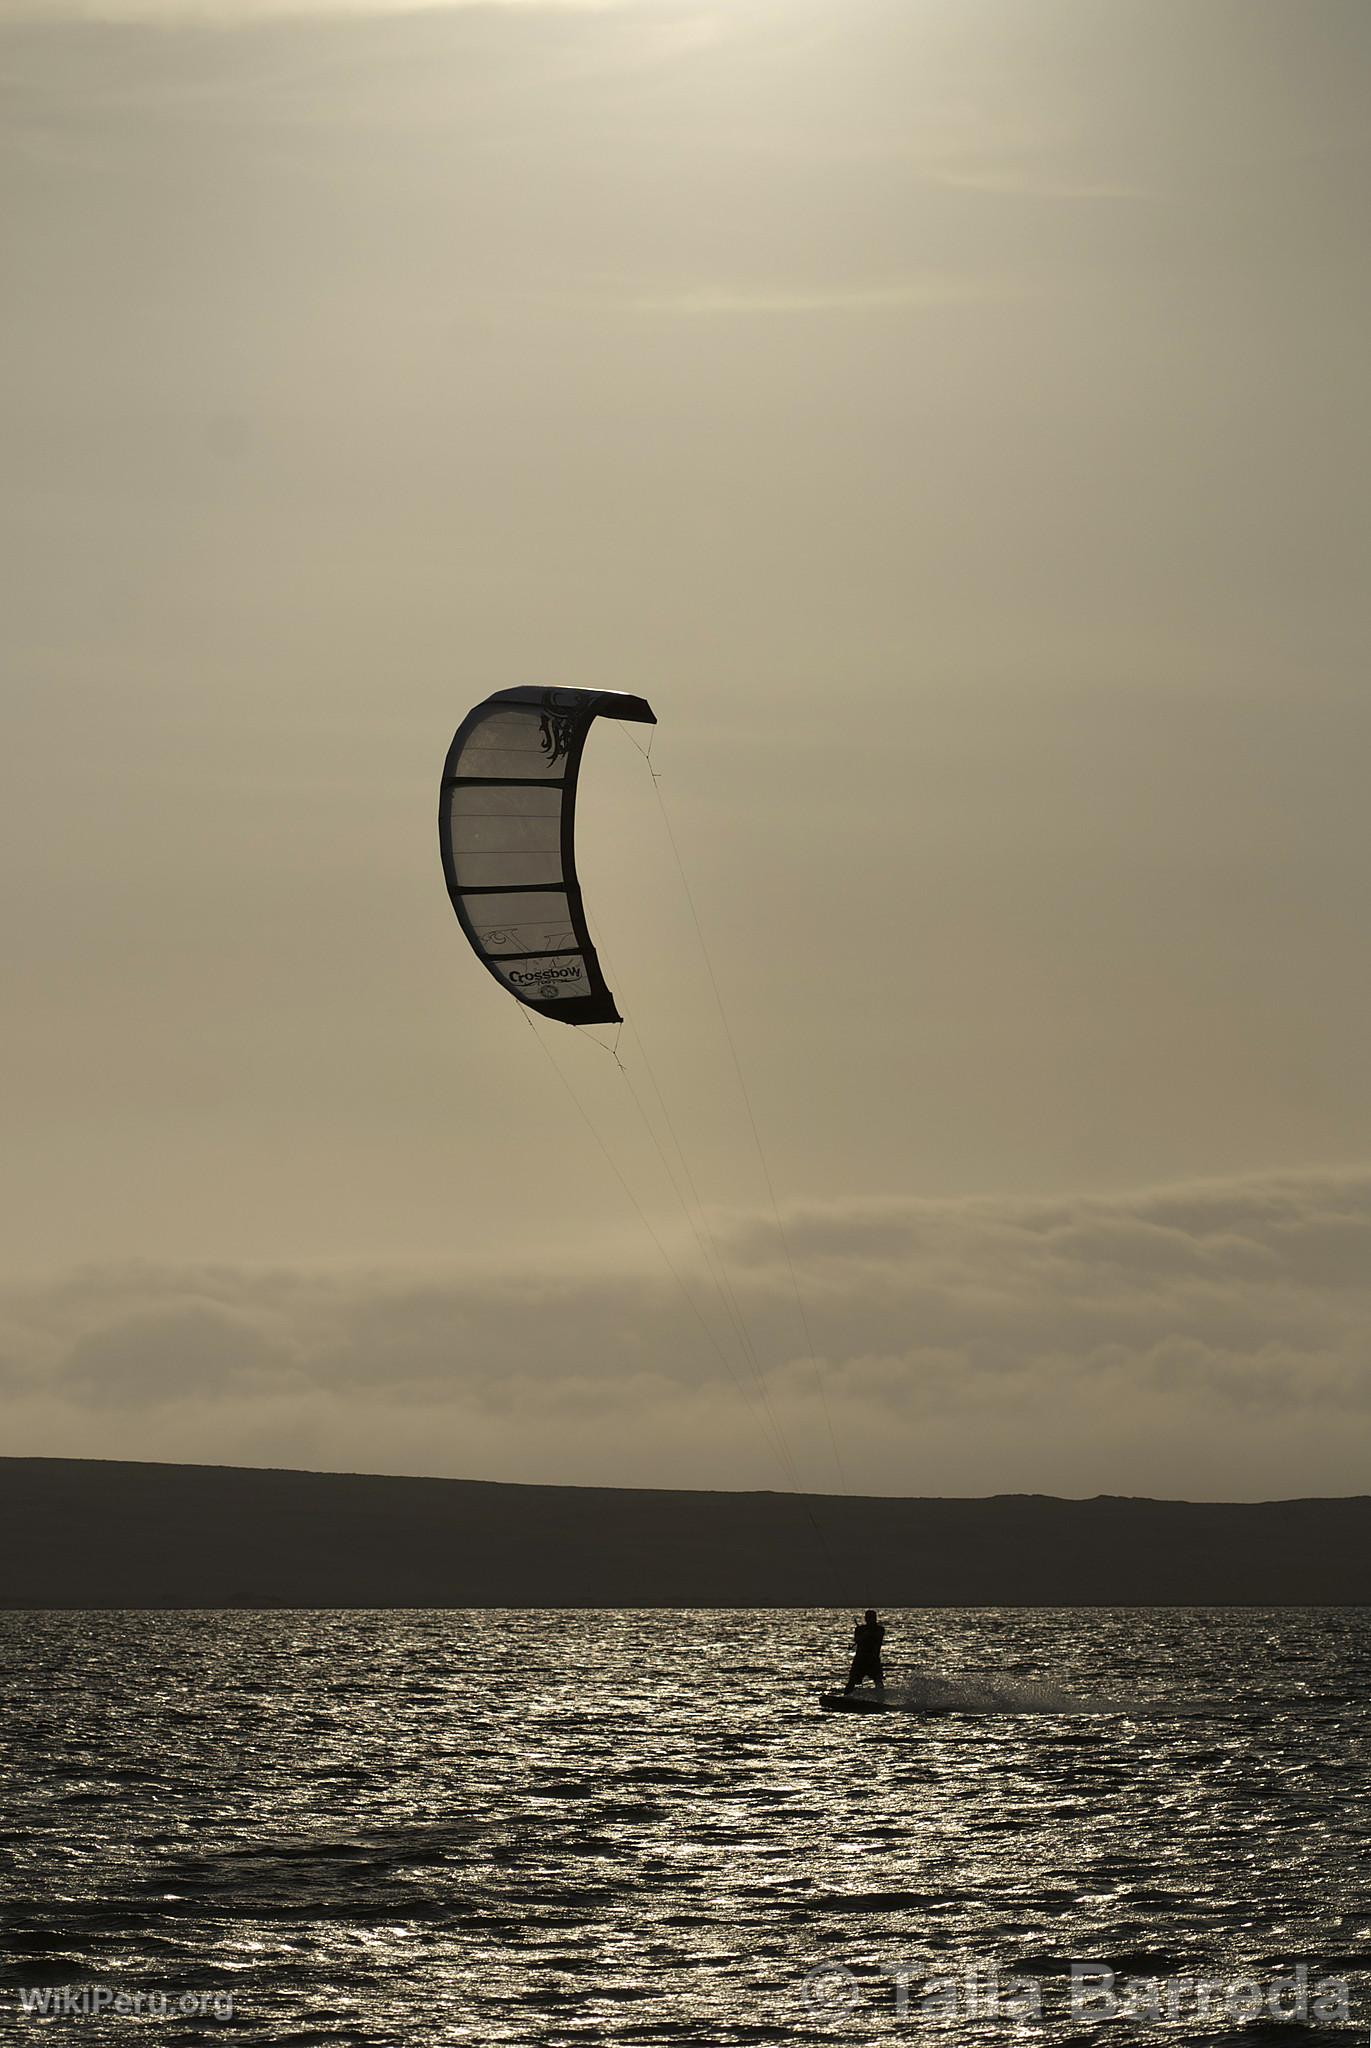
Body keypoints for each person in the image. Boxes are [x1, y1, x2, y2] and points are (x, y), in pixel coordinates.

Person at [844, 1609, 886, 1692]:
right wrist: (864, 1635)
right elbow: (857, 1639)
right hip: (860, 1660)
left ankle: (881, 1699)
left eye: (871, 1618)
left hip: (873, 1659)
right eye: (867, 1618)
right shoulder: (859, 1629)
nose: (869, 1619)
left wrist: (868, 1633)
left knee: (878, 1681)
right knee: (852, 1681)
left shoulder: (880, 1629)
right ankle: (845, 1697)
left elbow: (878, 1636)